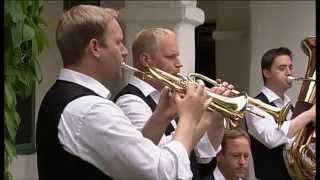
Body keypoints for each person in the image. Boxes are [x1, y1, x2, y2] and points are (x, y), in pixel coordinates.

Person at [36, 5, 213, 180]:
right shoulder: (90, 109)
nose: (125, 51)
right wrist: (190, 118)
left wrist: (161, 117)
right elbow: (162, 173)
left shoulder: (65, 96)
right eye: (118, 42)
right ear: (95, 47)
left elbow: (133, 157)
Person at [114, 28, 232, 179]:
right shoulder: (130, 101)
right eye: (171, 57)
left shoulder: (170, 94)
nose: (179, 64)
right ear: (146, 60)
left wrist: (217, 118)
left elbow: (203, 154)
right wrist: (204, 117)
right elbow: (161, 155)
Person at [245, 47, 316, 180]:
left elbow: (300, 144)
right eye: (282, 68)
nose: (288, 72)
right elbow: (271, 138)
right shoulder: (254, 105)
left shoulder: (291, 107)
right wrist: (309, 115)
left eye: (290, 67)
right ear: (266, 72)